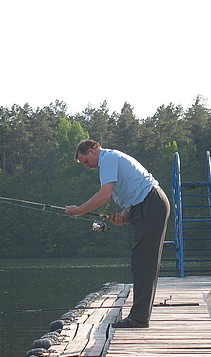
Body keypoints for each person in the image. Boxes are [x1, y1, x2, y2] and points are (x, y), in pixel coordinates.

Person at [65, 139, 170, 328]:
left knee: (144, 262)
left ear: (92, 151)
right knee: (140, 261)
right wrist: (122, 217)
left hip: (152, 203)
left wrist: (79, 210)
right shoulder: (109, 161)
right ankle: (139, 316)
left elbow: (104, 195)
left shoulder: (108, 159)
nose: (87, 167)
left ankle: (139, 318)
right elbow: (130, 197)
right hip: (145, 205)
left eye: (86, 162)